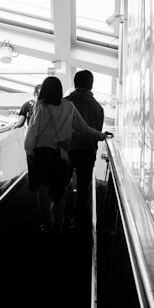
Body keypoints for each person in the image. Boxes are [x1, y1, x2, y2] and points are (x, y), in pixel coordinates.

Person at [23, 75, 109, 233]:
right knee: (58, 191)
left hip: (42, 153)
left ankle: (46, 222)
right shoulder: (68, 107)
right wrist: (100, 135)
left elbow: (32, 132)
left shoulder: (40, 107)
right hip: (60, 154)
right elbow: (83, 128)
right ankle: (58, 221)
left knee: (43, 189)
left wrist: (29, 151)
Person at [66, 70, 106, 229]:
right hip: (88, 151)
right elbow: (96, 130)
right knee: (83, 187)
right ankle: (78, 220)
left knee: (60, 184)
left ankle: (57, 217)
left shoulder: (65, 103)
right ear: (91, 84)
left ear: (75, 84)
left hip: (66, 149)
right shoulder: (98, 108)